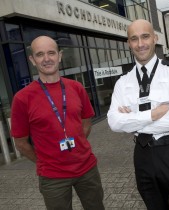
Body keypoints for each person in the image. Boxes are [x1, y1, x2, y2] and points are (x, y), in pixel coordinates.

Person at [107, 19, 169, 210]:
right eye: (134, 39)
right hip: (142, 155)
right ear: (128, 43)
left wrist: (131, 118)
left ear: (155, 38)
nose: (140, 44)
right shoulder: (122, 82)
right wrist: (154, 114)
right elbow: (114, 122)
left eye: (145, 37)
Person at [10, 36, 105, 210]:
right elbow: (21, 143)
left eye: (51, 53)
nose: (47, 59)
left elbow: (86, 122)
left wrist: (77, 146)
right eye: (40, 54)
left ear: (59, 56)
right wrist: (44, 160)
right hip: (53, 177)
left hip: (87, 169)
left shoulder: (76, 87)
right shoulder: (22, 98)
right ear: (32, 60)